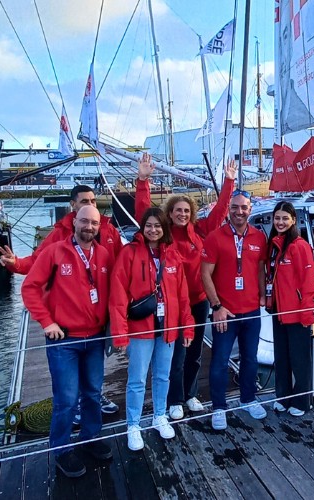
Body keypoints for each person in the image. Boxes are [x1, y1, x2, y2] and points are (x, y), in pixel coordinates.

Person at [0, 185, 121, 416]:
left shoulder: (109, 231)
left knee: (95, 370)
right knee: (67, 384)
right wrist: (15, 263)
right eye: (85, 201)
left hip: (99, 317)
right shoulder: (59, 234)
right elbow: (36, 263)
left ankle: (94, 397)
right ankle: (70, 411)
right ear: (73, 206)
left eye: (93, 201)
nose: (90, 205)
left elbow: (122, 267)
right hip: (66, 322)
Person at [135, 153, 236, 420]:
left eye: (186, 211)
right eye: (178, 211)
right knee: (177, 353)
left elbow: (220, 212)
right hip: (173, 303)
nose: (182, 214)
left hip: (199, 300)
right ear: (170, 213)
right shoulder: (164, 235)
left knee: (194, 352)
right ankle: (175, 399)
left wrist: (229, 182)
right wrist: (142, 180)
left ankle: (190, 395)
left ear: (191, 214)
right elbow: (144, 214)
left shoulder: (200, 231)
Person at [21, 205, 112, 478]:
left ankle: (90, 438)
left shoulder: (104, 254)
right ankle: (61, 449)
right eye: (84, 221)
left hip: (95, 338)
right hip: (65, 341)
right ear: (74, 222)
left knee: (93, 393)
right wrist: (46, 322)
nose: (89, 227)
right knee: (66, 399)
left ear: (99, 226)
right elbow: (30, 288)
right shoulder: (54, 252)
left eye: (94, 223)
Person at [109, 207, 195, 451]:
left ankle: (160, 415)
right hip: (140, 329)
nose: (153, 230)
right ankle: (133, 425)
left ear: (164, 228)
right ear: (142, 227)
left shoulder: (173, 255)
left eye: (158, 226)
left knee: (162, 376)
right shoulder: (129, 253)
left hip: (167, 329)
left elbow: (183, 296)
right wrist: (120, 333)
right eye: (149, 225)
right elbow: (118, 296)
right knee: (136, 379)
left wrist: (187, 328)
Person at [201, 189, 267, 430]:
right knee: (219, 360)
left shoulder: (259, 237)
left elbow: (260, 269)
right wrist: (216, 306)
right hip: (225, 312)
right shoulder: (215, 238)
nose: (240, 212)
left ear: (250, 209)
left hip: (251, 311)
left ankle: (248, 398)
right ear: (229, 209)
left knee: (250, 358)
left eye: (244, 207)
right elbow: (205, 274)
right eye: (235, 207)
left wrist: (262, 296)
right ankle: (219, 406)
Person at [266, 201, 314, 416]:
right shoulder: (274, 245)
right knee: (283, 357)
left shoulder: (300, 246)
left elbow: (308, 281)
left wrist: (307, 311)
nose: (280, 222)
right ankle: (283, 396)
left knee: (300, 360)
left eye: (285, 218)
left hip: (297, 313)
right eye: (277, 218)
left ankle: (302, 401)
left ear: (293, 220)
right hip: (279, 312)